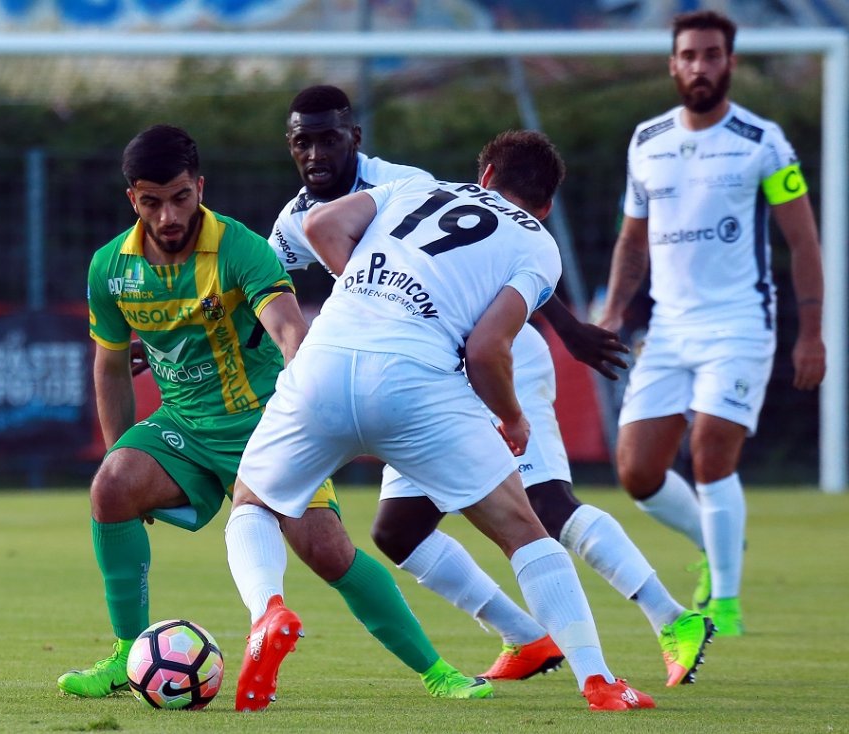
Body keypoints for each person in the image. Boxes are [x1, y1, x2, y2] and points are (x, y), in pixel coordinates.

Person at [270, 84, 712, 687]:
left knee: (545, 505)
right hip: (417, 368)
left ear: (354, 139)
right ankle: (527, 638)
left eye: (329, 139)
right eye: (305, 142)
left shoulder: (402, 180)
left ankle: (671, 618)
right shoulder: (292, 220)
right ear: (292, 147)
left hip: (497, 358)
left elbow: (502, 244)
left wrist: (567, 326)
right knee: (397, 530)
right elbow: (260, 290)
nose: (317, 153)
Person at [60, 124, 492, 707]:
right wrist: (120, 451)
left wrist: (305, 384)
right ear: (131, 199)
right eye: (151, 201)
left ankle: (438, 672)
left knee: (326, 550)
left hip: (268, 427)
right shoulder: (110, 268)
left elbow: (290, 329)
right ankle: (125, 655)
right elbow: (110, 367)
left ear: (200, 188)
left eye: (181, 197)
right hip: (183, 429)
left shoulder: (240, 248)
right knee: (110, 485)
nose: (168, 216)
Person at [598, 10, 826, 637]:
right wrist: (614, 310)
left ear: (730, 62)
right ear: (673, 65)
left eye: (712, 55)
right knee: (637, 472)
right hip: (667, 331)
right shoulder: (646, 141)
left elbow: (804, 244)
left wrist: (811, 333)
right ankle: (718, 541)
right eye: (689, 56)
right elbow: (631, 242)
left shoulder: (762, 141)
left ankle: (724, 603)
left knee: (710, 458)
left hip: (739, 325)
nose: (700, 66)